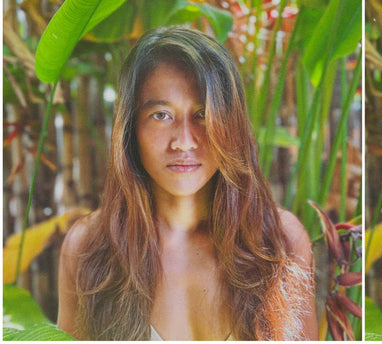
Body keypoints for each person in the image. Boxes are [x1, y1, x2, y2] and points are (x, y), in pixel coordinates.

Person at [57, 27, 318, 340]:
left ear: (230, 125)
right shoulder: (89, 246)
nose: (184, 142)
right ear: (130, 128)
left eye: (203, 114)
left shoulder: (279, 242)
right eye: (161, 115)